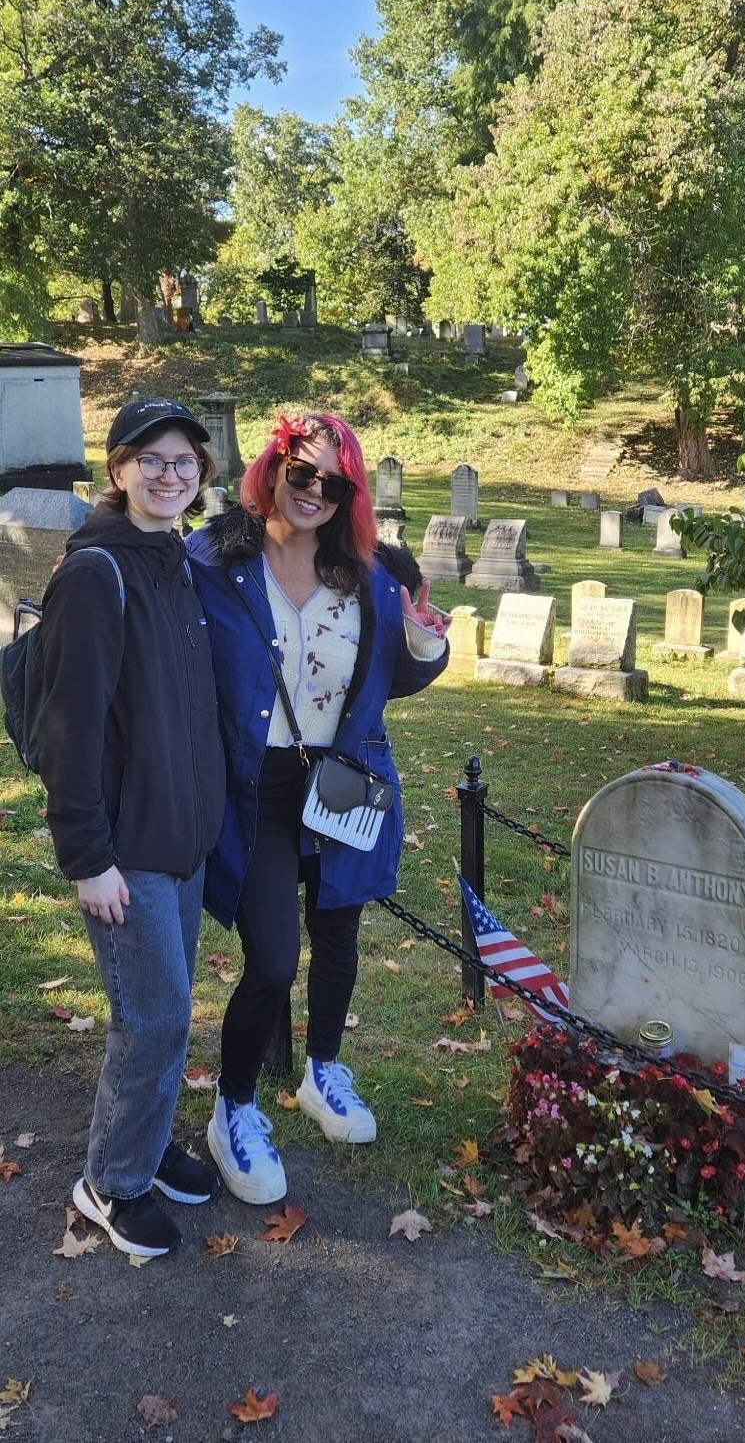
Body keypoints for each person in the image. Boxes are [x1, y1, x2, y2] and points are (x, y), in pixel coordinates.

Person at [186, 411, 450, 1204]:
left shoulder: (368, 573)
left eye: (334, 483)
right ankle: (233, 1107)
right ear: (274, 466)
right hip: (256, 787)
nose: (315, 492)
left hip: (339, 779)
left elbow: (391, 678)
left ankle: (323, 1070)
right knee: (270, 956)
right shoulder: (215, 560)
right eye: (302, 472)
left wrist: (425, 640)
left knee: (338, 934)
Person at [36, 398, 226, 1258]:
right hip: (126, 852)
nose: (169, 474)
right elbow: (72, 730)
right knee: (151, 1020)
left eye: (185, 461)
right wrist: (87, 858)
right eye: (150, 458)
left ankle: (143, 1150)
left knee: (170, 1013)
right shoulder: (96, 573)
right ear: (117, 470)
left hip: (179, 840)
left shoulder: (176, 562)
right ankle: (111, 1180)